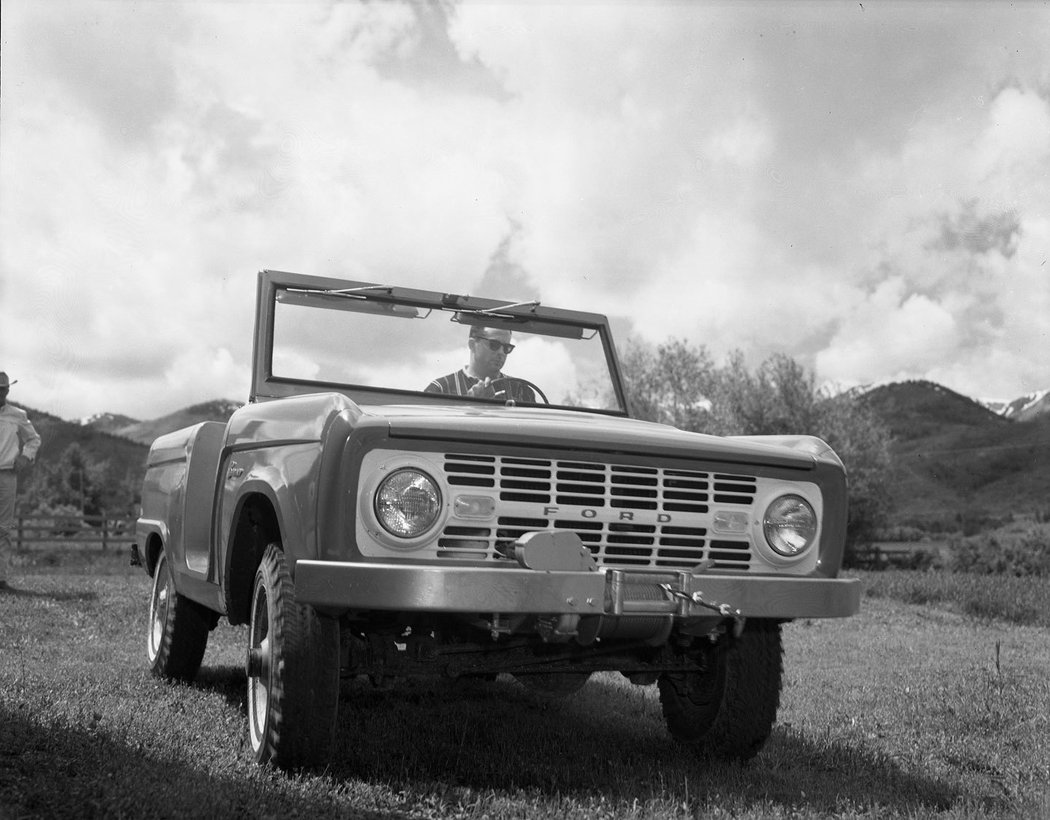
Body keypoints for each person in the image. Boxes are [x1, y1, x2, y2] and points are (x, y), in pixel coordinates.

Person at [0, 372, 41, 591]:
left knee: (3, 528)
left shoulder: (17, 415)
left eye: (2, 388)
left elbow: (33, 439)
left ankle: (0, 578)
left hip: (6, 474)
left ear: (7, 390)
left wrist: (26, 456)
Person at [425, 327, 538, 403]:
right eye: (494, 344)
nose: (501, 352)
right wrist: (470, 405)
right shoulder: (440, 388)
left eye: (506, 348)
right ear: (472, 344)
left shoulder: (521, 389)